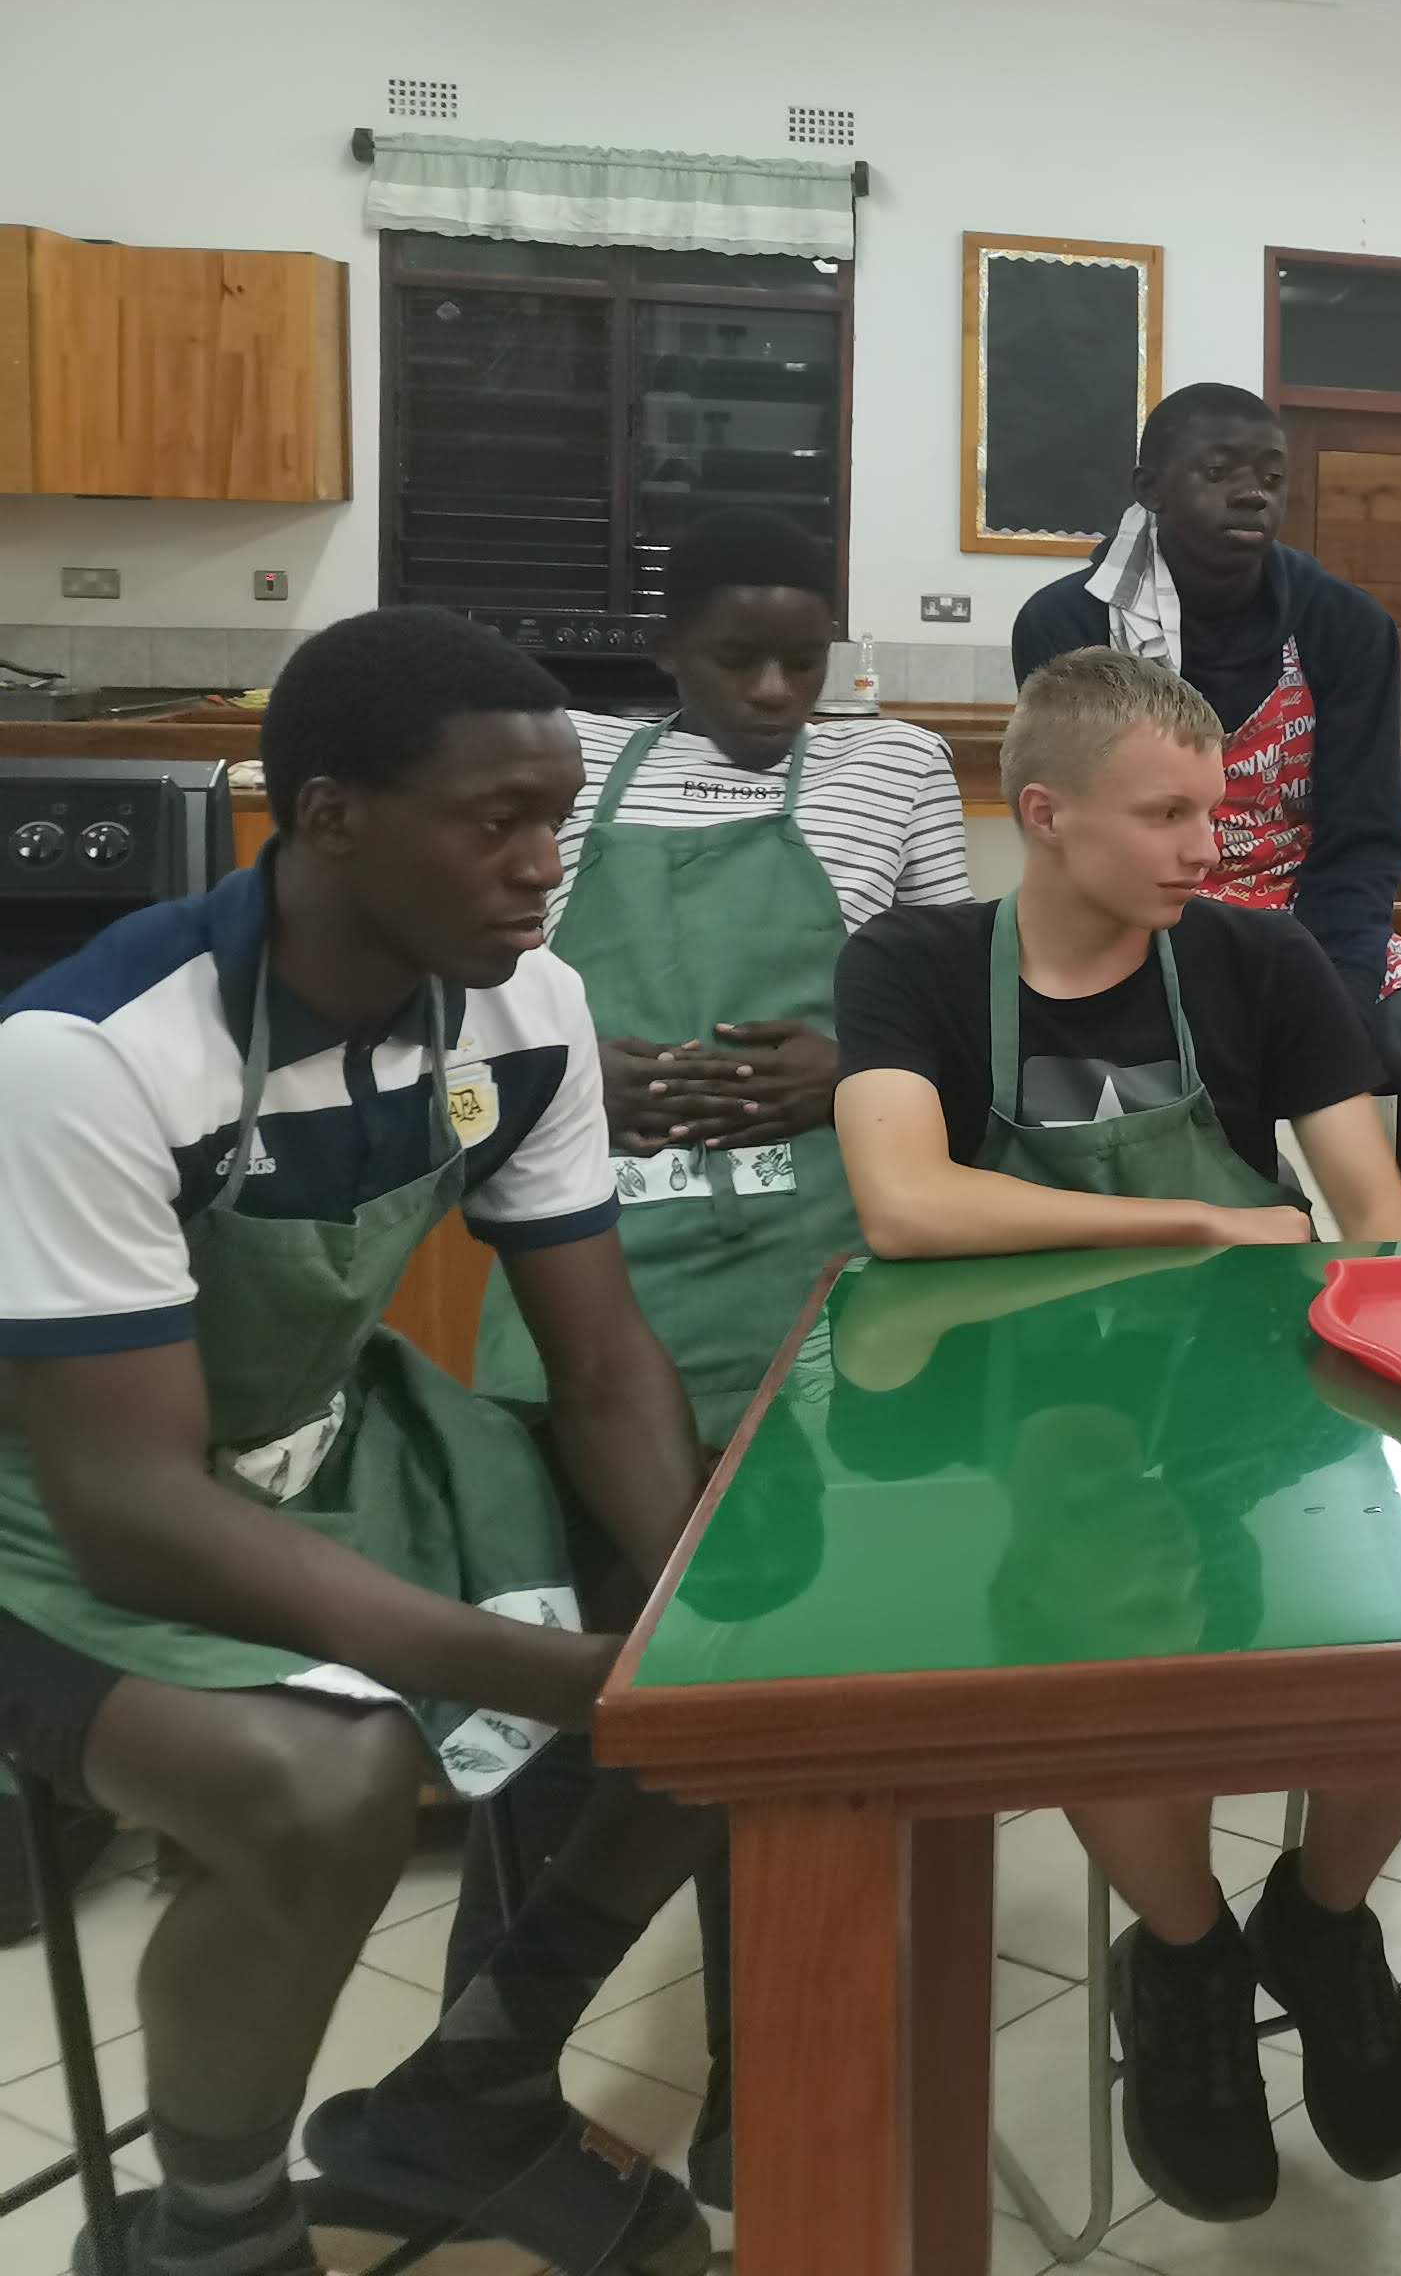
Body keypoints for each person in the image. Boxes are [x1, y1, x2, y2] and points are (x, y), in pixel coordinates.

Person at [0, 609, 716, 2276]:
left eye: (559, 820)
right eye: (496, 823)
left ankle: (478, 2082)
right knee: (327, 1789)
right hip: (56, 1517)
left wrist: (703, 1607)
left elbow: (605, 1365)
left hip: (329, 1445)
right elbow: (129, 1505)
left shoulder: (527, 1013)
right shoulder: (93, 1059)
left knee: (753, 1663)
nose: (543, 868)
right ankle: (213, 2233)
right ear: (329, 817)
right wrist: (537, 1672)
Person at [831, 648, 1401, 2219]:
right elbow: (904, 1205)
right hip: (1008, 1414)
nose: (1205, 849)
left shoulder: (1257, 961)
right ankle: (1187, 1957)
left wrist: (1373, 1326)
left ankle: (1323, 1918)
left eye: (1213, 813)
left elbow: (1373, 1216)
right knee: (1095, 1642)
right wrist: (1198, 1220)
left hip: (1248, 1407)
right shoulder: (913, 964)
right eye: (1166, 816)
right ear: (1046, 815)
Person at [435, 508, 970, 2210]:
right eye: (737, 659)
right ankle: (483, 2093)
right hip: (590, 1296)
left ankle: (770, 2084)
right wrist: (577, 1065)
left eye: (805, 660)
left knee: (775, 1705)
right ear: (664, 650)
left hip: (814, 1296)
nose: (774, 692)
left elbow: (957, 1008)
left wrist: (847, 1066)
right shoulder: (571, 769)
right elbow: (462, 998)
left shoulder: (894, 773)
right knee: (562, 1706)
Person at [1013, 381, 1401, 1099]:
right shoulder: (1070, 624)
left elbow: (1361, 839)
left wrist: (1335, 1001)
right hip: (1133, 934)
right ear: (1150, 489)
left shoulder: (1346, 626)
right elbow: (1080, 839)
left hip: (1313, 931)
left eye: (1272, 478)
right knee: (1188, 1124)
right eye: (1219, 471)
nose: (1253, 494)